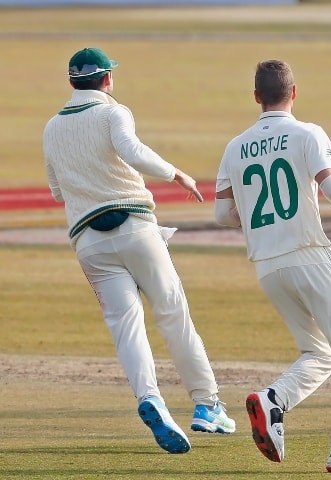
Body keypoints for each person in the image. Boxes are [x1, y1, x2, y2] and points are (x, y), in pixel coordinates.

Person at [42, 47, 235, 454]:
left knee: (125, 326)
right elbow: (131, 150)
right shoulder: (113, 111)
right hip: (135, 226)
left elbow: (58, 191)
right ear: (107, 79)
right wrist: (176, 173)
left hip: (89, 242)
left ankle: (151, 399)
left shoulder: (50, 128)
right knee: (173, 315)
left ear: (72, 81)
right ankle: (207, 405)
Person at [214, 59, 331, 474]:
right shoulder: (307, 133)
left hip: (266, 265)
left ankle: (274, 399)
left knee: (320, 351)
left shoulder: (235, 146)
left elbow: (222, 215)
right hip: (309, 255)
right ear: (294, 93)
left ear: (257, 97)